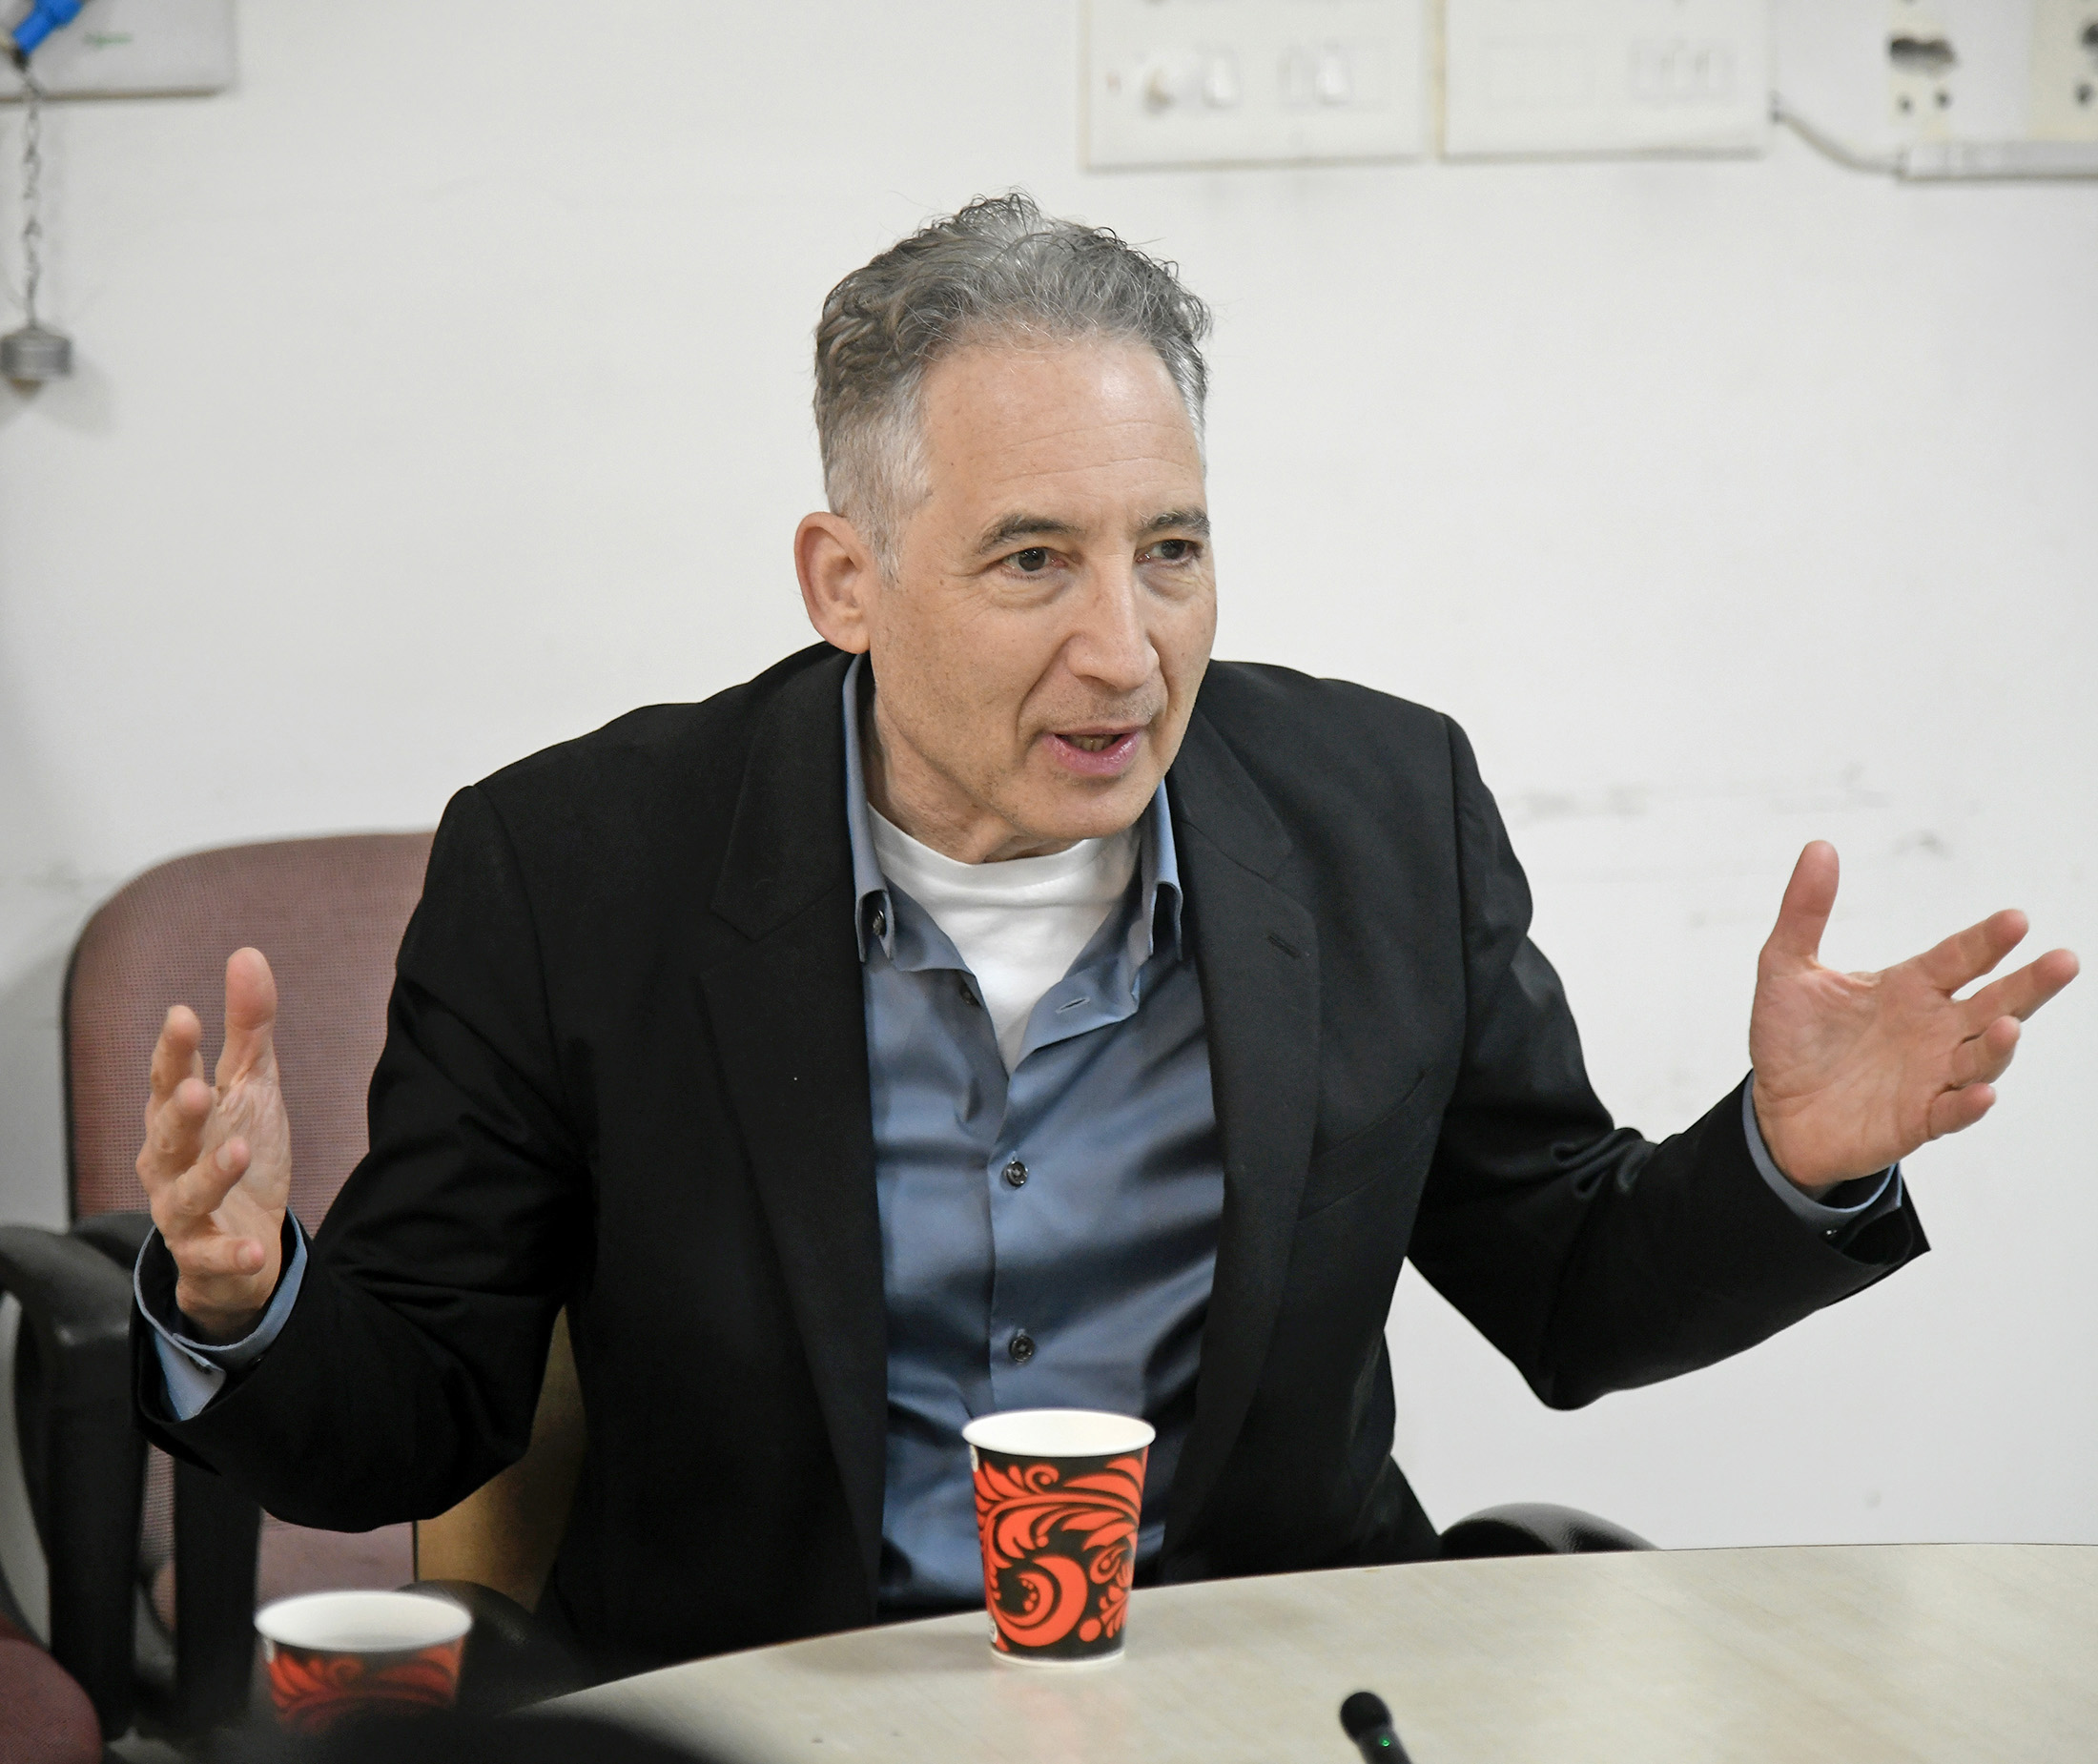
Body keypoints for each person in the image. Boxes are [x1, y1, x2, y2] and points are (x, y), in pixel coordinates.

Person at [130, 194, 2077, 1674]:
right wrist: (240, 1292)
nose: (1124, 651)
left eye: (1169, 548)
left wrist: (1785, 1161)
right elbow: (410, 1415)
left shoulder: (1378, 813)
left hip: (1253, 1692)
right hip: (773, 1702)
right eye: (1030, 562)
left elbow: (1564, 1287)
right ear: (847, 579)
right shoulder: (576, 866)